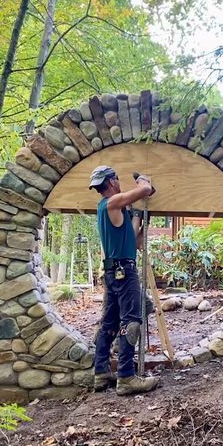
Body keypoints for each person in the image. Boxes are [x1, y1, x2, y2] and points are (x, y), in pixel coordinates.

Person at [89, 165, 159, 396]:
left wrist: (139, 219)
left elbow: (135, 242)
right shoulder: (112, 202)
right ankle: (126, 377)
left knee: (109, 322)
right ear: (112, 182)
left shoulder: (110, 210)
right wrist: (142, 179)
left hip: (113, 272)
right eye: (116, 180)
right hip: (124, 272)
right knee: (131, 321)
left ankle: (101, 373)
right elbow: (145, 189)